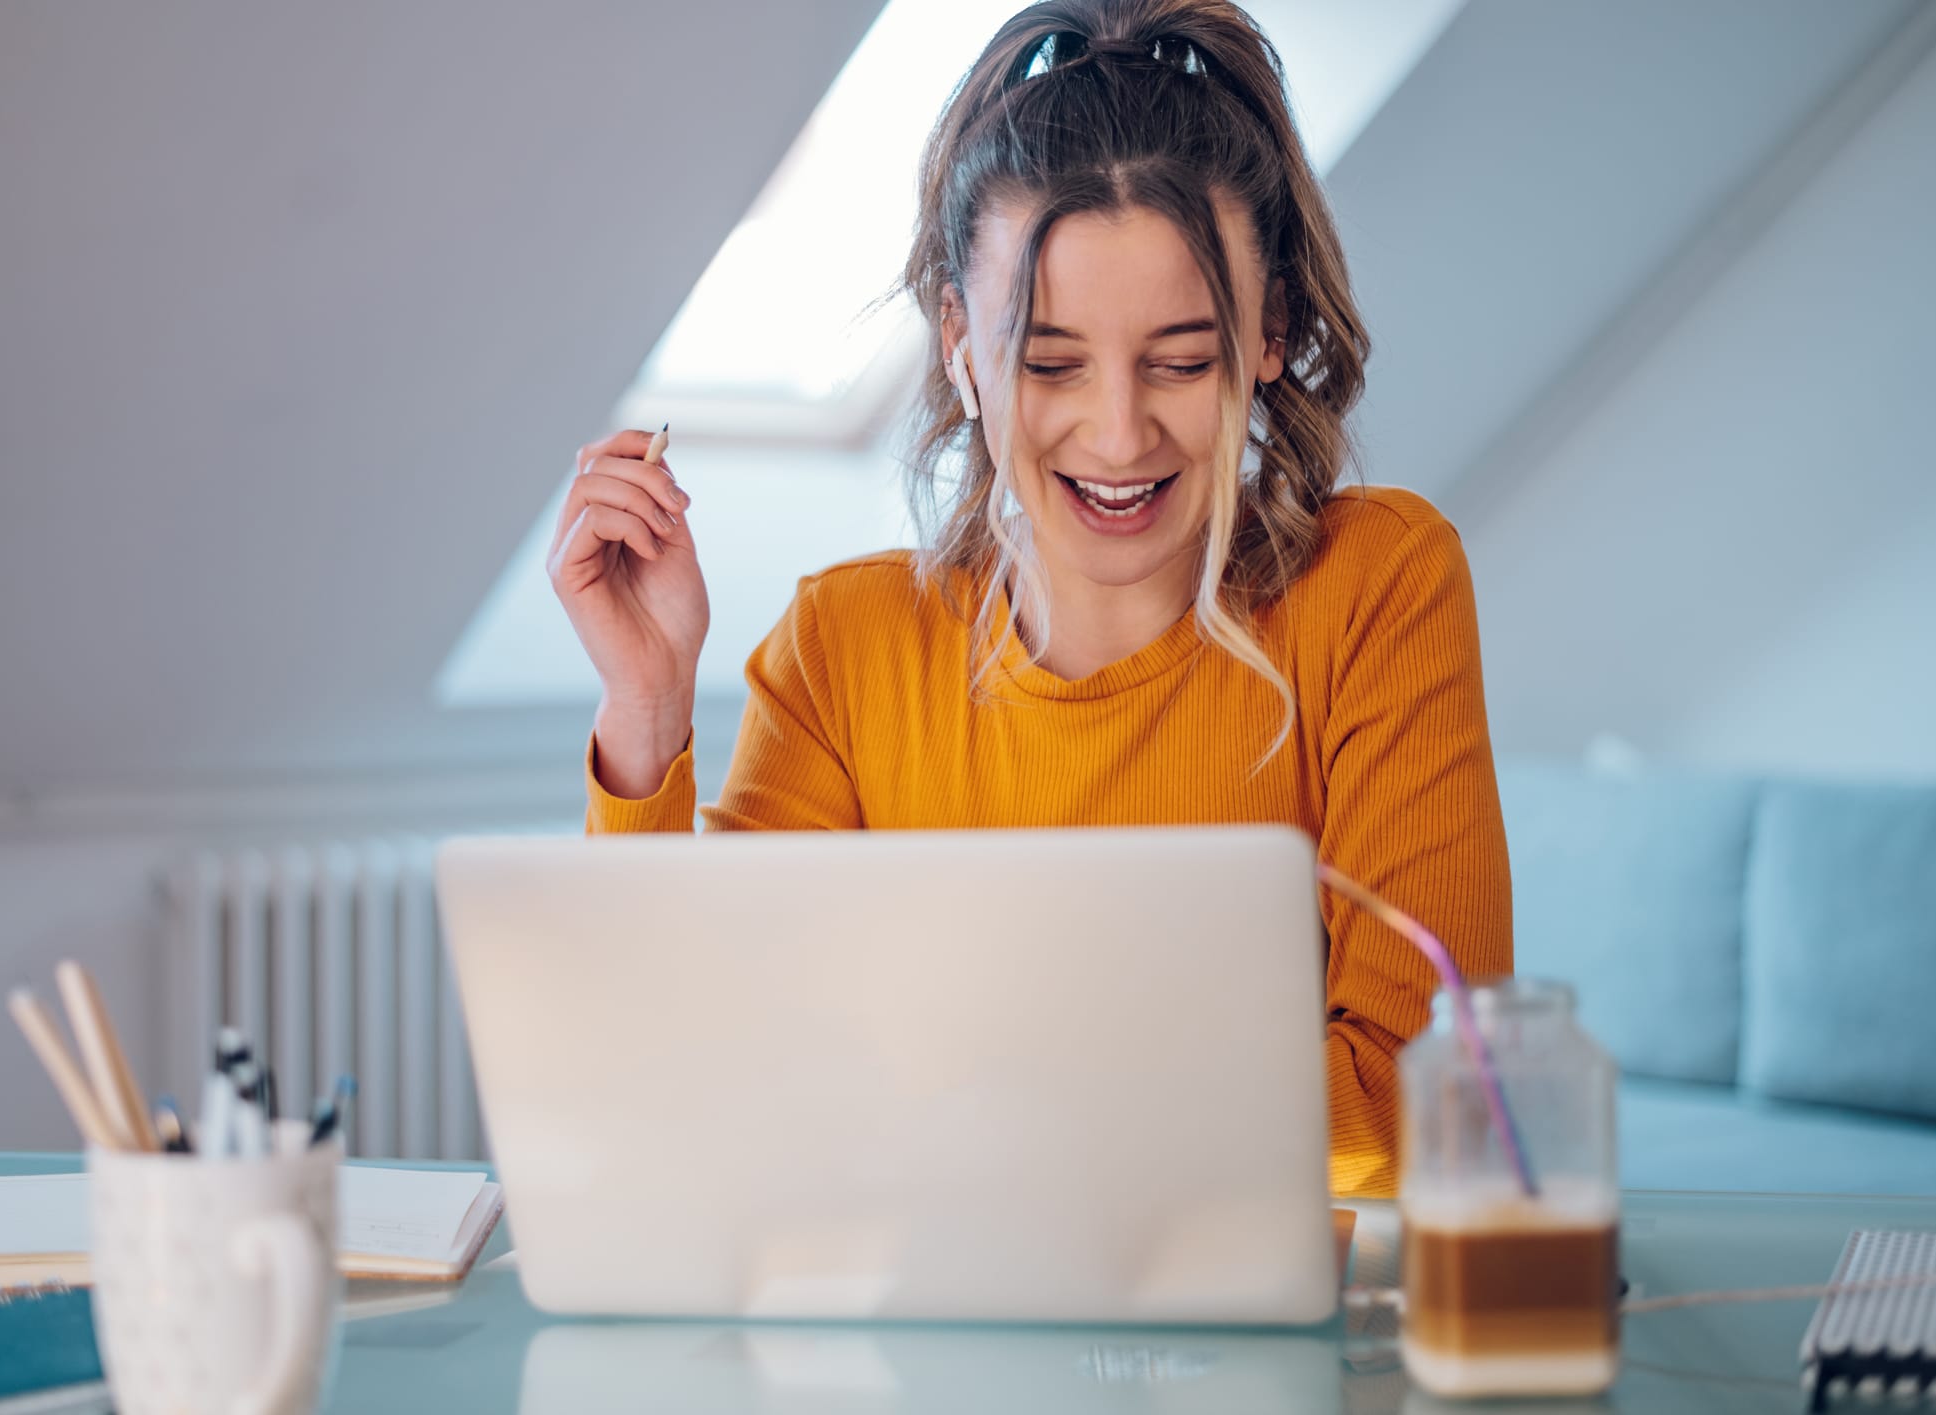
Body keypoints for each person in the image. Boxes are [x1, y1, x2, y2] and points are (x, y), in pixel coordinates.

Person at [547, 0, 1511, 1198]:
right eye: (1050, 362)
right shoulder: (843, 649)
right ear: (957, 341)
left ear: (1269, 335)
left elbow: (1423, 1106)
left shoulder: (1375, 585)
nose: (1118, 432)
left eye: (1181, 358)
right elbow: (687, 1093)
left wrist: (967, 1089)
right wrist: (644, 706)